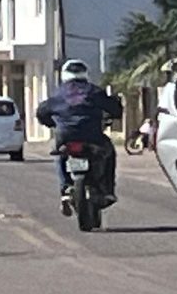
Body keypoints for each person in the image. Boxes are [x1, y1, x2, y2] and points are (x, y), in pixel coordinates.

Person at [36, 59, 123, 216]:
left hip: (65, 134)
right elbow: (114, 108)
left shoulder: (58, 92)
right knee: (108, 152)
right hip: (92, 134)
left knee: (60, 154)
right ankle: (108, 189)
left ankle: (65, 188)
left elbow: (42, 111)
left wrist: (52, 124)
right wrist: (114, 112)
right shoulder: (93, 91)